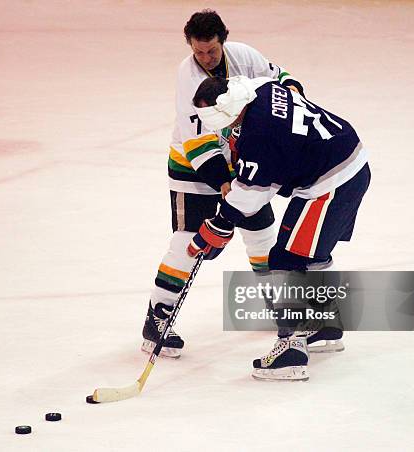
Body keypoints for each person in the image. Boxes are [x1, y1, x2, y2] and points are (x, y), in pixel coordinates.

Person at [142, 9, 305, 358]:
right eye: (198, 52)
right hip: (193, 166)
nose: (205, 58)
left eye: (211, 51)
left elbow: (283, 79)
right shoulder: (186, 77)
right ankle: (157, 318)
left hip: (240, 160)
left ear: (223, 40)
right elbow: (195, 140)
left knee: (262, 237)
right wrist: (223, 184)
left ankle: (281, 314)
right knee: (187, 241)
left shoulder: (244, 55)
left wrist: (294, 99)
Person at [190, 75, 371, 380]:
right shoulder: (260, 87)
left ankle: (291, 351)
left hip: (331, 182)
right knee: (311, 255)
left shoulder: (259, 135)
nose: (221, 130)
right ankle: (324, 326)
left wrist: (217, 227)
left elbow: (252, 197)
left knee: (286, 260)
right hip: (349, 163)